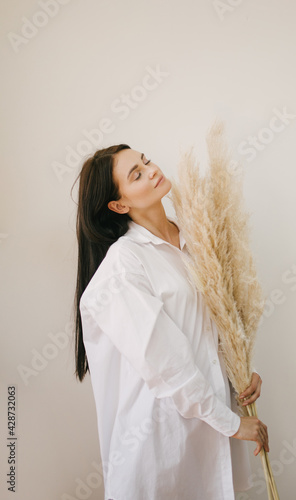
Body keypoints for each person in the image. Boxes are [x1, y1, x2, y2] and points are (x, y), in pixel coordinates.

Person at [73, 144, 269, 500]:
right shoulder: (123, 266)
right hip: (161, 447)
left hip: (212, 435)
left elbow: (214, 326)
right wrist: (232, 423)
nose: (151, 169)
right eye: (136, 174)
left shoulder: (198, 240)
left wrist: (241, 372)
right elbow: (164, 362)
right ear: (119, 205)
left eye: (145, 160)